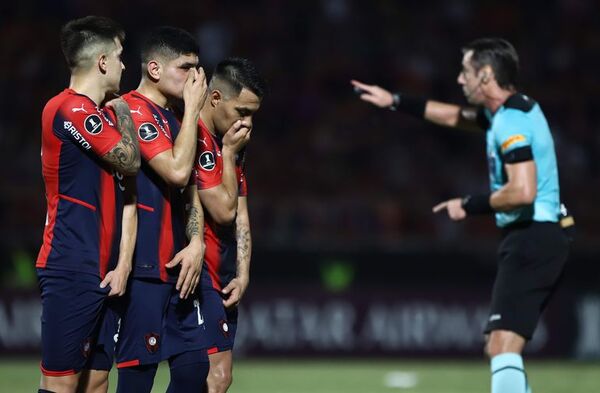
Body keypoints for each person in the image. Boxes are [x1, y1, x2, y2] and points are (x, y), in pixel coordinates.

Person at [352, 37, 569, 393]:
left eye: (465, 71)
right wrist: (395, 101)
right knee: (498, 347)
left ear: (485, 75)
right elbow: (454, 116)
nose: (458, 80)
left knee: (501, 347)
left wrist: (468, 205)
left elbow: (523, 191)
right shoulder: (510, 111)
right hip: (538, 235)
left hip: (533, 235)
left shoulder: (510, 122)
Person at [36, 15, 140, 393]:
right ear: (102, 62)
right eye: (119, 55)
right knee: (60, 386)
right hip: (71, 264)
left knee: (96, 384)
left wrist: (123, 264)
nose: (124, 65)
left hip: (102, 269)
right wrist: (125, 109)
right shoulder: (70, 109)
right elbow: (130, 161)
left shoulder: (96, 117)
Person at [109, 26, 209, 393]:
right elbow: (179, 171)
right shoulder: (131, 110)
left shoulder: (175, 120)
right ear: (154, 69)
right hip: (145, 268)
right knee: (138, 379)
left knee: (194, 371)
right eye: (186, 68)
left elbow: (191, 192)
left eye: (199, 69)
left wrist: (196, 242)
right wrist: (196, 108)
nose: (196, 78)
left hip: (179, 267)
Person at [193, 57, 265, 393]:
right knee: (214, 377)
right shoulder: (193, 137)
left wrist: (243, 271)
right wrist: (229, 154)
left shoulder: (232, 144)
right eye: (242, 112)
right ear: (217, 98)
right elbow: (223, 211)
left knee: (214, 378)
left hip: (220, 274)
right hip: (196, 273)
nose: (248, 124)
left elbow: (242, 212)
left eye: (253, 114)